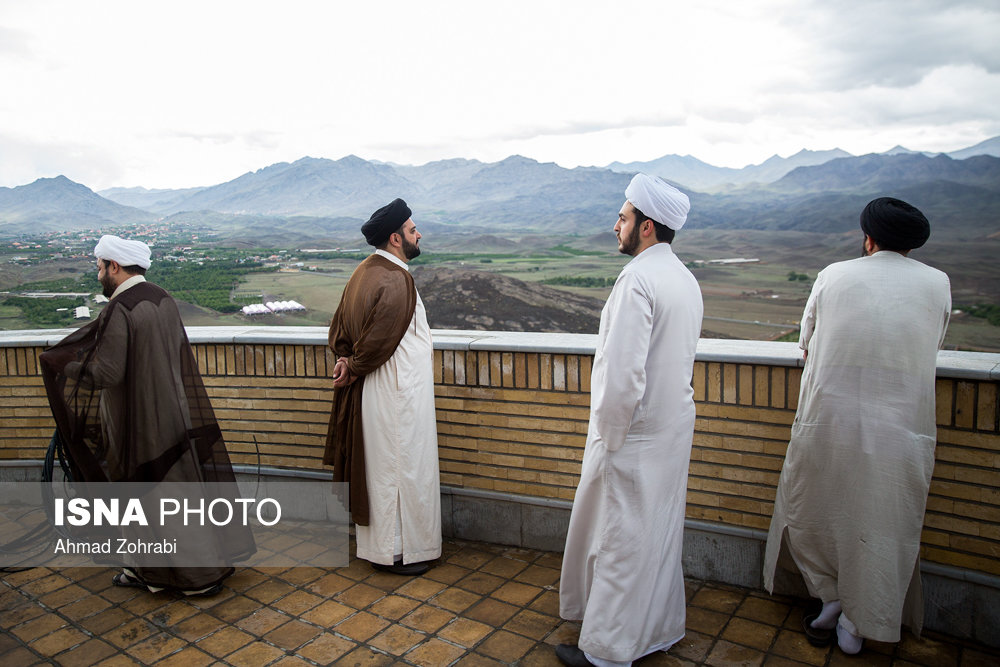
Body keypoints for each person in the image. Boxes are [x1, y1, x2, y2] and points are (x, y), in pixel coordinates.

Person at [763, 197, 951, 654]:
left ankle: (831, 600)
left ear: (868, 238)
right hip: (899, 432)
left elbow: (806, 343)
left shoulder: (833, 275)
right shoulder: (938, 283)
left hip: (829, 425)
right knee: (883, 526)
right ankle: (856, 620)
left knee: (820, 512)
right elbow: (933, 342)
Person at [40, 235, 254, 595]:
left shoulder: (119, 308)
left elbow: (107, 372)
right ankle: (152, 570)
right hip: (173, 413)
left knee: (146, 498)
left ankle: (191, 578)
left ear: (114, 266)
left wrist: (66, 363)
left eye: (99, 268)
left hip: (138, 423)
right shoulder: (161, 297)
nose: (98, 276)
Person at [558, 174, 704, 667]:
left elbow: (622, 374)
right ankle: (657, 631)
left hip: (634, 437)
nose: (614, 225)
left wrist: (609, 437)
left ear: (646, 227)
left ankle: (606, 653)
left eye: (622, 218)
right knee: (658, 538)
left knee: (621, 542)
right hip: (671, 431)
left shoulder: (637, 279)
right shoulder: (684, 278)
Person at [323, 198, 441, 576]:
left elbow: (339, 329)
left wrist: (345, 360)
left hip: (383, 393)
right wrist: (354, 364)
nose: (418, 234)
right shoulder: (394, 278)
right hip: (396, 396)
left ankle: (384, 550)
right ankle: (399, 554)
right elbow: (377, 341)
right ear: (395, 238)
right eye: (411, 230)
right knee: (399, 469)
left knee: (385, 468)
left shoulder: (364, 271)